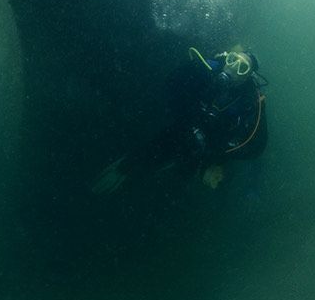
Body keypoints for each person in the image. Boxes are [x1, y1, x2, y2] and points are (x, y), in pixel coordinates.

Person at [93, 45, 268, 194]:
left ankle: (138, 176)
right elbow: (173, 83)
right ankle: (125, 169)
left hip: (206, 145)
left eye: (242, 67)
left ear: (248, 77)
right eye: (232, 59)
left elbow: (256, 147)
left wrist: (213, 157)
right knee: (160, 141)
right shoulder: (208, 67)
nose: (233, 67)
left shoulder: (248, 100)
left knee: (186, 176)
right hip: (180, 126)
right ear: (226, 57)